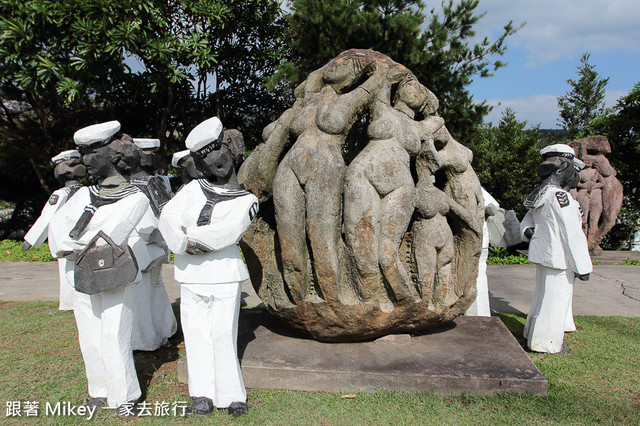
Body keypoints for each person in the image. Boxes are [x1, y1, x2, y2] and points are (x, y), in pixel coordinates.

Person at [48, 121, 150, 415]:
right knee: (89, 336)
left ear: (114, 153)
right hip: (77, 273)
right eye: (83, 152)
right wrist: (77, 240)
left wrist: (75, 241)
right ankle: (99, 389)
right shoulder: (81, 194)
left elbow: (110, 236)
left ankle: (125, 395)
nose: (86, 159)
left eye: (93, 151)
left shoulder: (136, 197)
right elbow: (57, 231)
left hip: (113, 271)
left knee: (114, 335)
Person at [158, 117, 258, 417]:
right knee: (196, 334)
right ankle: (200, 393)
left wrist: (189, 237)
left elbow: (228, 232)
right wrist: (181, 241)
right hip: (191, 276)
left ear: (233, 152)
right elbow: (167, 218)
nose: (216, 166)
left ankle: (231, 395)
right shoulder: (191, 190)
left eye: (221, 157)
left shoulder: (247, 200)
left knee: (222, 334)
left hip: (224, 275)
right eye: (206, 161)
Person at [520, 144, 592, 354]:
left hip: (544, 255)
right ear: (562, 170)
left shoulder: (541, 195)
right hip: (560, 258)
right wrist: (583, 266)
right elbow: (572, 234)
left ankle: (532, 333)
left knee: (541, 297)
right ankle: (546, 343)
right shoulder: (562, 197)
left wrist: (535, 236)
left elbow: (527, 226)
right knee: (555, 300)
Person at [128, 138, 177, 351]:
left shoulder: (160, 181)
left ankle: (165, 330)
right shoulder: (131, 185)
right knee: (141, 296)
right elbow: (143, 224)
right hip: (141, 246)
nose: (153, 157)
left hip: (157, 246)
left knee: (155, 289)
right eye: (147, 152)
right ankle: (145, 339)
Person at [22, 150, 86, 310]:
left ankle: (68, 304)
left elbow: (46, 218)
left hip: (65, 241)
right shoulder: (90, 191)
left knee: (67, 273)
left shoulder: (60, 194)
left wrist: (30, 239)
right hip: (85, 238)